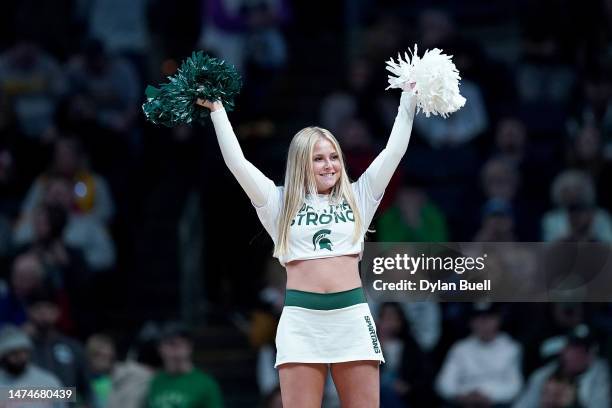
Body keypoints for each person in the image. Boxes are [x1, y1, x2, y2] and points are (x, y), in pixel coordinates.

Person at [196, 78, 416, 406]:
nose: (329, 165)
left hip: (352, 317)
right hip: (301, 321)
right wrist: (218, 111)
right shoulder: (278, 201)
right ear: (301, 163)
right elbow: (237, 164)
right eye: (319, 158)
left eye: (334, 157)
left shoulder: (360, 195)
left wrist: (409, 99)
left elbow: (394, 150)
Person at [146, 322, 223, 408]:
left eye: (181, 343)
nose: (177, 349)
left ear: (189, 347)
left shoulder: (206, 384)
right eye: (171, 343)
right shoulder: (155, 381)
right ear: (160, 348)